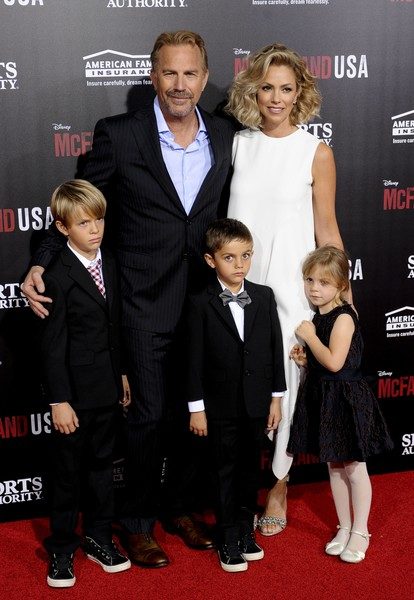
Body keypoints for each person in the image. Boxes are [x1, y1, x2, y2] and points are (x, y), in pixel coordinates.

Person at [21, 31, 234, 567]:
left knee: (195, 412)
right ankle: (137, 522)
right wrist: (41, 261)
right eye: (170, 73)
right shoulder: (119, 134)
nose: (180, 84)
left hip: (205, 301)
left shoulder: (226, 134)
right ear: (153, 76)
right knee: (146, 418)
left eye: (190, 73)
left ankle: (179, 507)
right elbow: (79, 206)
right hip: (141, 302)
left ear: (205, 78)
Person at [226, 43, 347, 536]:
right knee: (237, 388)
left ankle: (278, 486)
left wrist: (343, 306)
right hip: (236, 289)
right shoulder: (238, 144)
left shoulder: (315, 152)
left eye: (286, 88)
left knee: (289, 393)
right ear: (253, 90)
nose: (276, 98)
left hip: (290, 293)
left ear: (301, 93)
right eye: (267, 87)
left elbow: (328, 231)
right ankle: (234, 489)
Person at [41, 180, 131, 588]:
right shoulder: (55, 275)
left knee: (101, 470)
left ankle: (98, 537)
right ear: (63, 228)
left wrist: (121, 373)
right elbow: (51, 345)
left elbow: (114, 328)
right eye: (83, 223)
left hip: (106, 389)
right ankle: (61, 549)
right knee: (67, 475)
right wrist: (59, 400)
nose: (95, 229)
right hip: (73, 397)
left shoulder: (109, 260)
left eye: (99, 219)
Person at [186, 219, 286, 572]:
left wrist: (276, 398)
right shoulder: (199, 302)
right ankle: (227, 537)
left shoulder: (264, 296)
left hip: (257, 402)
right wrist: (196, 408)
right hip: (219, 406)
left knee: (249, 470)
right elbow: (192, 361)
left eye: (246, 255)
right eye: (229, 258)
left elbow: (275, 349)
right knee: (223, 471)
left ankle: (245, 530)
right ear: (211, 260)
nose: (240, 264)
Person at [287, 246, 393, 563]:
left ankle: (361, 530)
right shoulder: (318, 317)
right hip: (326, 398)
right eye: (310, 280)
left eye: (324, 282)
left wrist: (311, 338)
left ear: (341, 285)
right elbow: (326, 363)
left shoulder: (344, 317)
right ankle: (344, 526)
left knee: (354, 469)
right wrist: (307, 360)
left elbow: (335, 362)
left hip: (347, 400)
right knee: (334, 466)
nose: (314, 288)